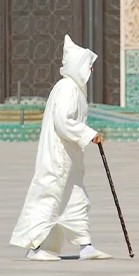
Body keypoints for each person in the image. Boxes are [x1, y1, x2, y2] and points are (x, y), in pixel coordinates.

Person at [9, 35, 113, 261]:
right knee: (48, 198)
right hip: (58, 157)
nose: (91, 70)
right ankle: (35, 248)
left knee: (76, 199)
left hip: (70, 157)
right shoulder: (67, 88)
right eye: (88, 66)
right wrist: (89, 134)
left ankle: (86, 246)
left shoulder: (75, 89)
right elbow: (62, 121)